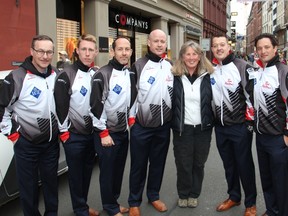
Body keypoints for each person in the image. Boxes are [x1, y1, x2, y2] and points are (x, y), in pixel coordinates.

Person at [0, 35, 59, 216]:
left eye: (49, 52)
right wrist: (13, 135)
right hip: (27, 145)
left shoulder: (56, 75)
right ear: (32, 51)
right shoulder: (17, 77)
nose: (45, 56)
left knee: (51, 186)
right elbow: (2, 108)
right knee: (29, 190)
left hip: (51, 144)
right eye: (40, 51)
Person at [128, 29, 173, 216]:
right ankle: (134, 201)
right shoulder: (138, 65)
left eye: (163, 41)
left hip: (163, 127)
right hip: (142, 126)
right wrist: (132, 121)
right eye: (156, 41)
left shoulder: (170, 65)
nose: (160, 44)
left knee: (158, 163)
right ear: (149, 42)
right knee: (138, 165)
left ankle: (153, 195)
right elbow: (130, 95)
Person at [210, 34, 257, 216]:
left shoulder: (242, 66)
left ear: (228, 47)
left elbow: (252, 97)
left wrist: (248, 123)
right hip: (220, 127)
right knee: (229, 165)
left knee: (244, 165)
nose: (219, 48)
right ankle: (234, 196)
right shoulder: (211, 68)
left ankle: (250, 203)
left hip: (240, 127)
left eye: (222, 45)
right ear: (212, 49)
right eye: (215, 46)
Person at [90, 36, 137, 216]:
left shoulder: (130, 73)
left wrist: (131, 120)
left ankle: (114, 202)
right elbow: (96, 106)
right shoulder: (102, 74)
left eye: (127, 49)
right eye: (120, 49)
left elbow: (132, 99)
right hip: (106, 133)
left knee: (117, 171)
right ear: (112, 51)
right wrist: (103, 133)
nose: (124, 53)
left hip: (122, 132)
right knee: (108, 173)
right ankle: (110, 207)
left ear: (131, 52)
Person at [54, 34, 99, 216]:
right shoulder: (66, 75)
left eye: (91, 50)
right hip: (74, 136)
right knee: (76, 176)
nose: (87, 54)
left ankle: (83, 206)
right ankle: (80, 209)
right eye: (84, 50)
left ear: (95, 52)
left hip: (92, 134)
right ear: (77, 51)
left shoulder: (96, 73)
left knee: (87, 173)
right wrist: (64, 133)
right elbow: (59, 106)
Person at [246, 33, 288, 216]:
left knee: (281, 181)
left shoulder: (283, 71)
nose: (263, 51)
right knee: (267, 179)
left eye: (267, 47)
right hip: (261, 136)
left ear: (275, 48)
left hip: (279, 138)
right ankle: (272, 210)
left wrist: (286, 133)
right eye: (259, 48)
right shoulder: (257, 71)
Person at [171, 41, 214, 208]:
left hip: (203, 129)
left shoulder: (209, 75)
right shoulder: (174, 76)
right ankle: (183, 193)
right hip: (183, 128)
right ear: (182, 56)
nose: (191, 57)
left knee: (198, 163)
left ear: (200, 56)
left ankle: (194, 193)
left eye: (194, 54)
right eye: (187, 54)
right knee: (183, 163)